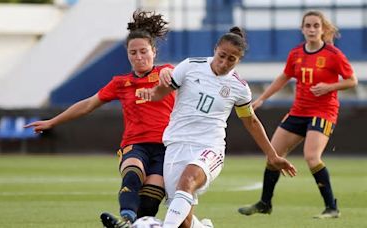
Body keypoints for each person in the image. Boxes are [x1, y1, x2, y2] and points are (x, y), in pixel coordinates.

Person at [25, 10, 175, 228]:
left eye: (144, 51)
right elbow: (87, 105)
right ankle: (126, 218)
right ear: (127, 54)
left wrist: (169, 77)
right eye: (133, 53)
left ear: (154, 51)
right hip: (135, 144)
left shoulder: (167, 71)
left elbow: (181, 80)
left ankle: (131, 224)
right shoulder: (120, 83)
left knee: (150, 202)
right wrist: (52, 122)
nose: (139, 57)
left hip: (166, 147)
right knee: (132, 175)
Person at [136, 26, 297, 228]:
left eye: (232, 59)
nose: (224, 62)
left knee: (188, 179)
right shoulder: (190, 66)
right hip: (176, 144)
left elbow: (251, 122)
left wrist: (272, 155)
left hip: (209, 147)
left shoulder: (239, 88)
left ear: (239, 60)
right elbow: (161, 93)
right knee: (184, 221)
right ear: (215, 49)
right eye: (222, 55)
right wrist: (153, 89)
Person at [237, 10, 358, 219]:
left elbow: (351, 80)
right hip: (299, 111)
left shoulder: (333, 55)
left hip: (323, 112)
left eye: (316, 26)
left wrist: (330, 87)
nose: (312, 29)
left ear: (322, 29)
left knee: (311, 157)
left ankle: (332, 207)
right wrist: (263, 98)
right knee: (273, 155)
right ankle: (265, 203)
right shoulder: (296, 54)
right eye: (308, 26)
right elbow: (284, 77)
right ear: (302, 29)